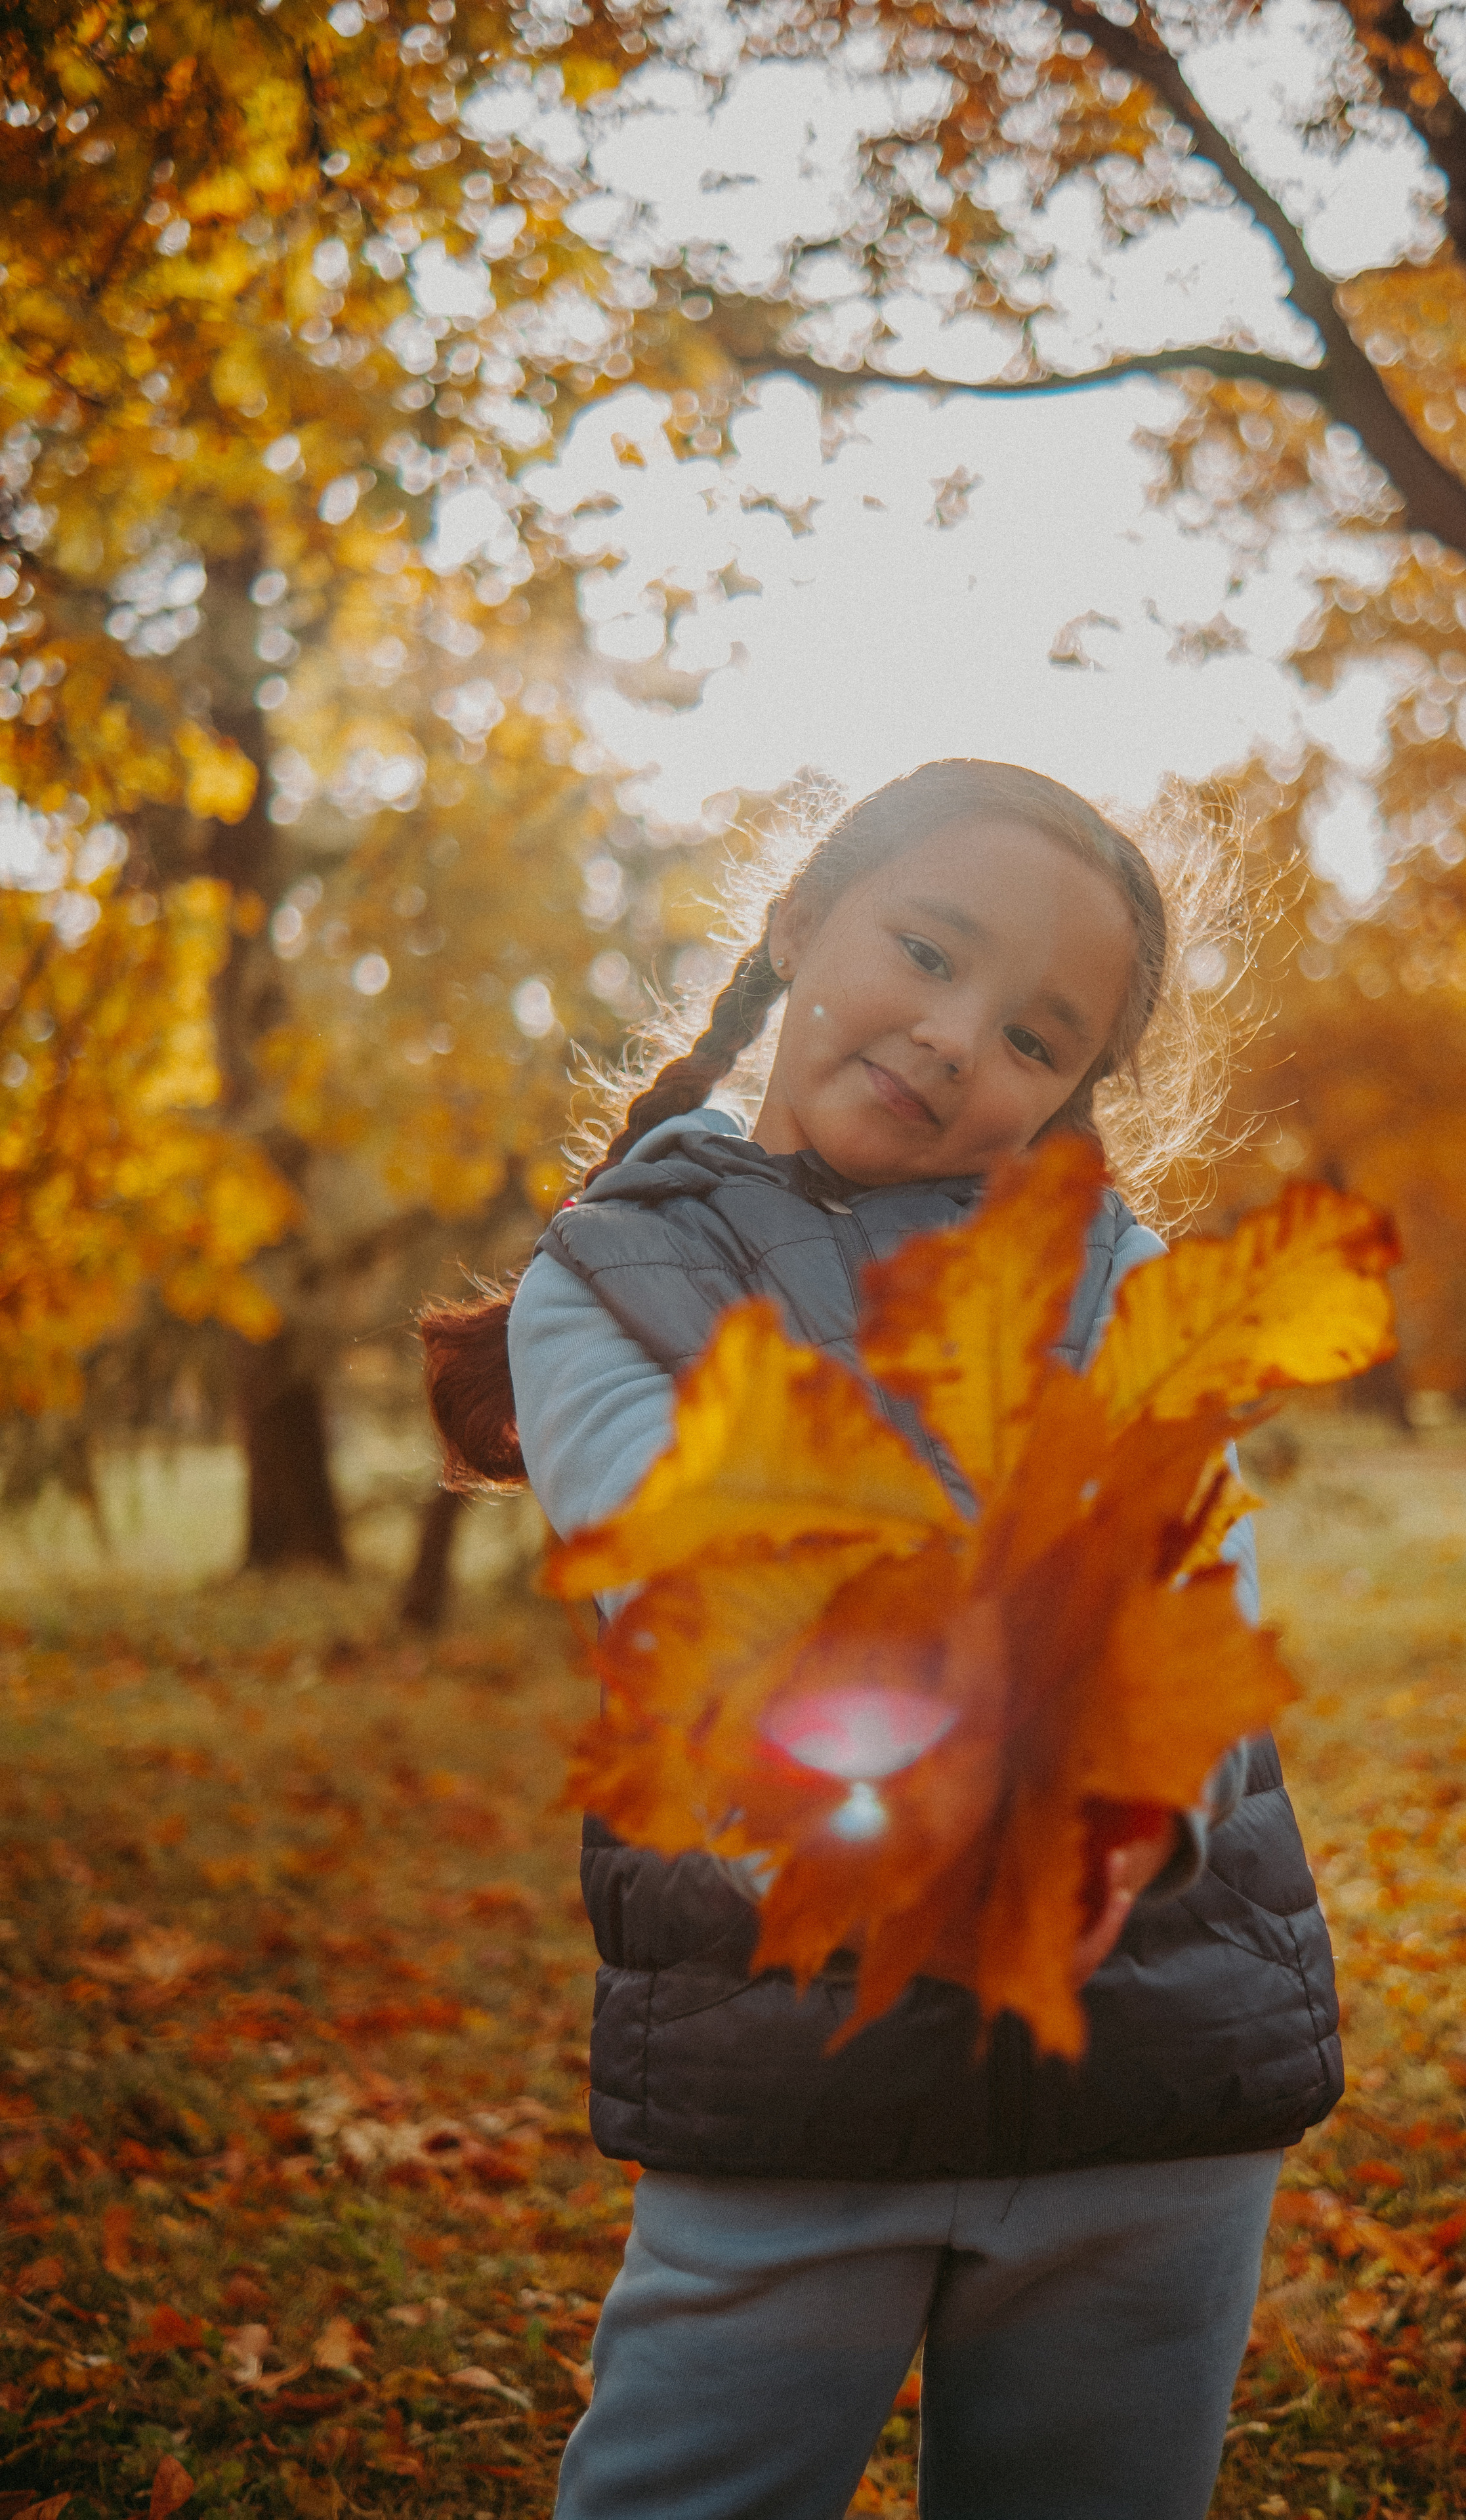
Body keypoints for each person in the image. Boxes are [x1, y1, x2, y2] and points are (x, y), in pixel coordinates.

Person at [420, 759, 1341, 2520]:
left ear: (1070, 1092)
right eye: (927, 950)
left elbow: (1195, 1589)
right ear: (797, 918)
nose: (953, 1033)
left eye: (1033, 1036)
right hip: (804, 2063)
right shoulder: (608, 1278)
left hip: (1152, 2090)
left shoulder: (1116, 1277)